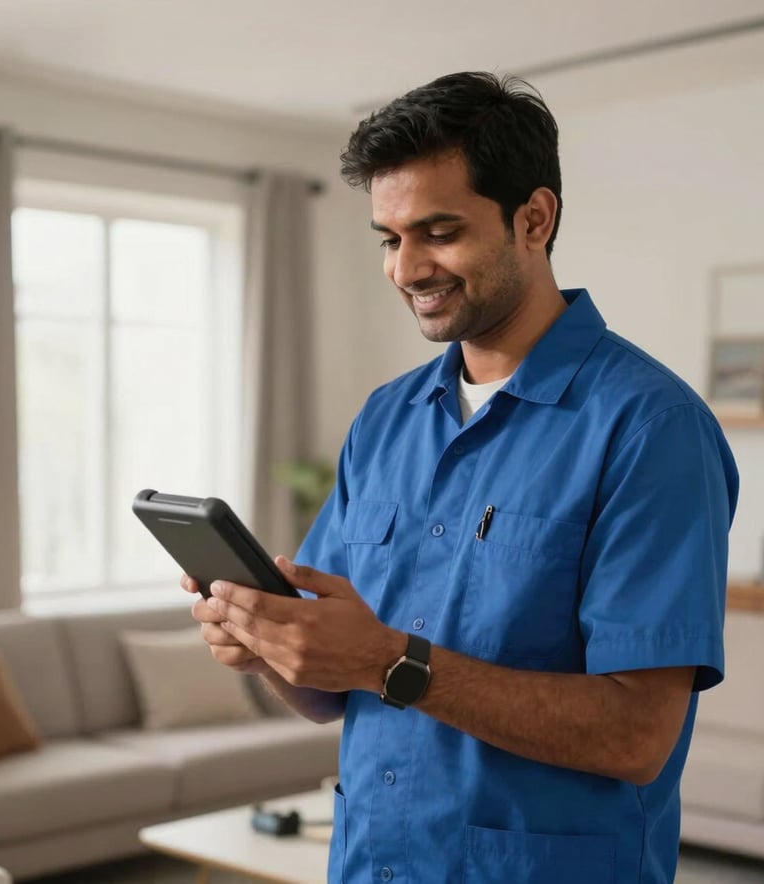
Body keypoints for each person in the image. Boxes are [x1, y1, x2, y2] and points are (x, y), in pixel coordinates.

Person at [183, 72, 739, 883]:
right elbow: (338, 689)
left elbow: (635, 737)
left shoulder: (652, 429)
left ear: (534, 219)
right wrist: (271, 648)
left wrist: (385, 660)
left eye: (439, 232)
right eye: (388, 237)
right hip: (372, 863)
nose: (407, 268)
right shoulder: (384, 420)